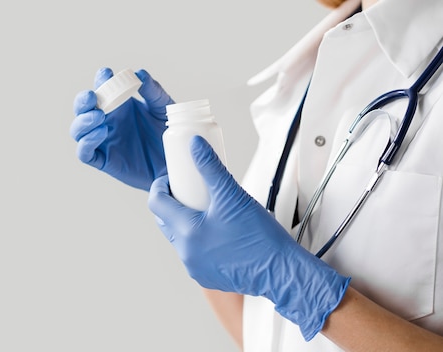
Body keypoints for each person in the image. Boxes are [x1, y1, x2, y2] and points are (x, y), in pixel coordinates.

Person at [70, 0, 443, 350]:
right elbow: (265, 333)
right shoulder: (311, 73)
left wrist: (303, 289)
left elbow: (281, 284)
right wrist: (186, 187)